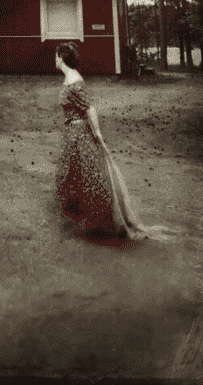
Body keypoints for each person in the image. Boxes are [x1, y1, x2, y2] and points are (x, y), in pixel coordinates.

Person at [54, 42, 147, 241]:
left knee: (86, 175)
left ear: (61, 58)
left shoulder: (74, 81)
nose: (54, 59)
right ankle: (79, 220)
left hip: (79, 133)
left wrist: (97, 132)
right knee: (72, 174)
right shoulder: (69, 78)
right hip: (72, 133)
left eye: (56, 56)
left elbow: (89, 108)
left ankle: (97, 223)